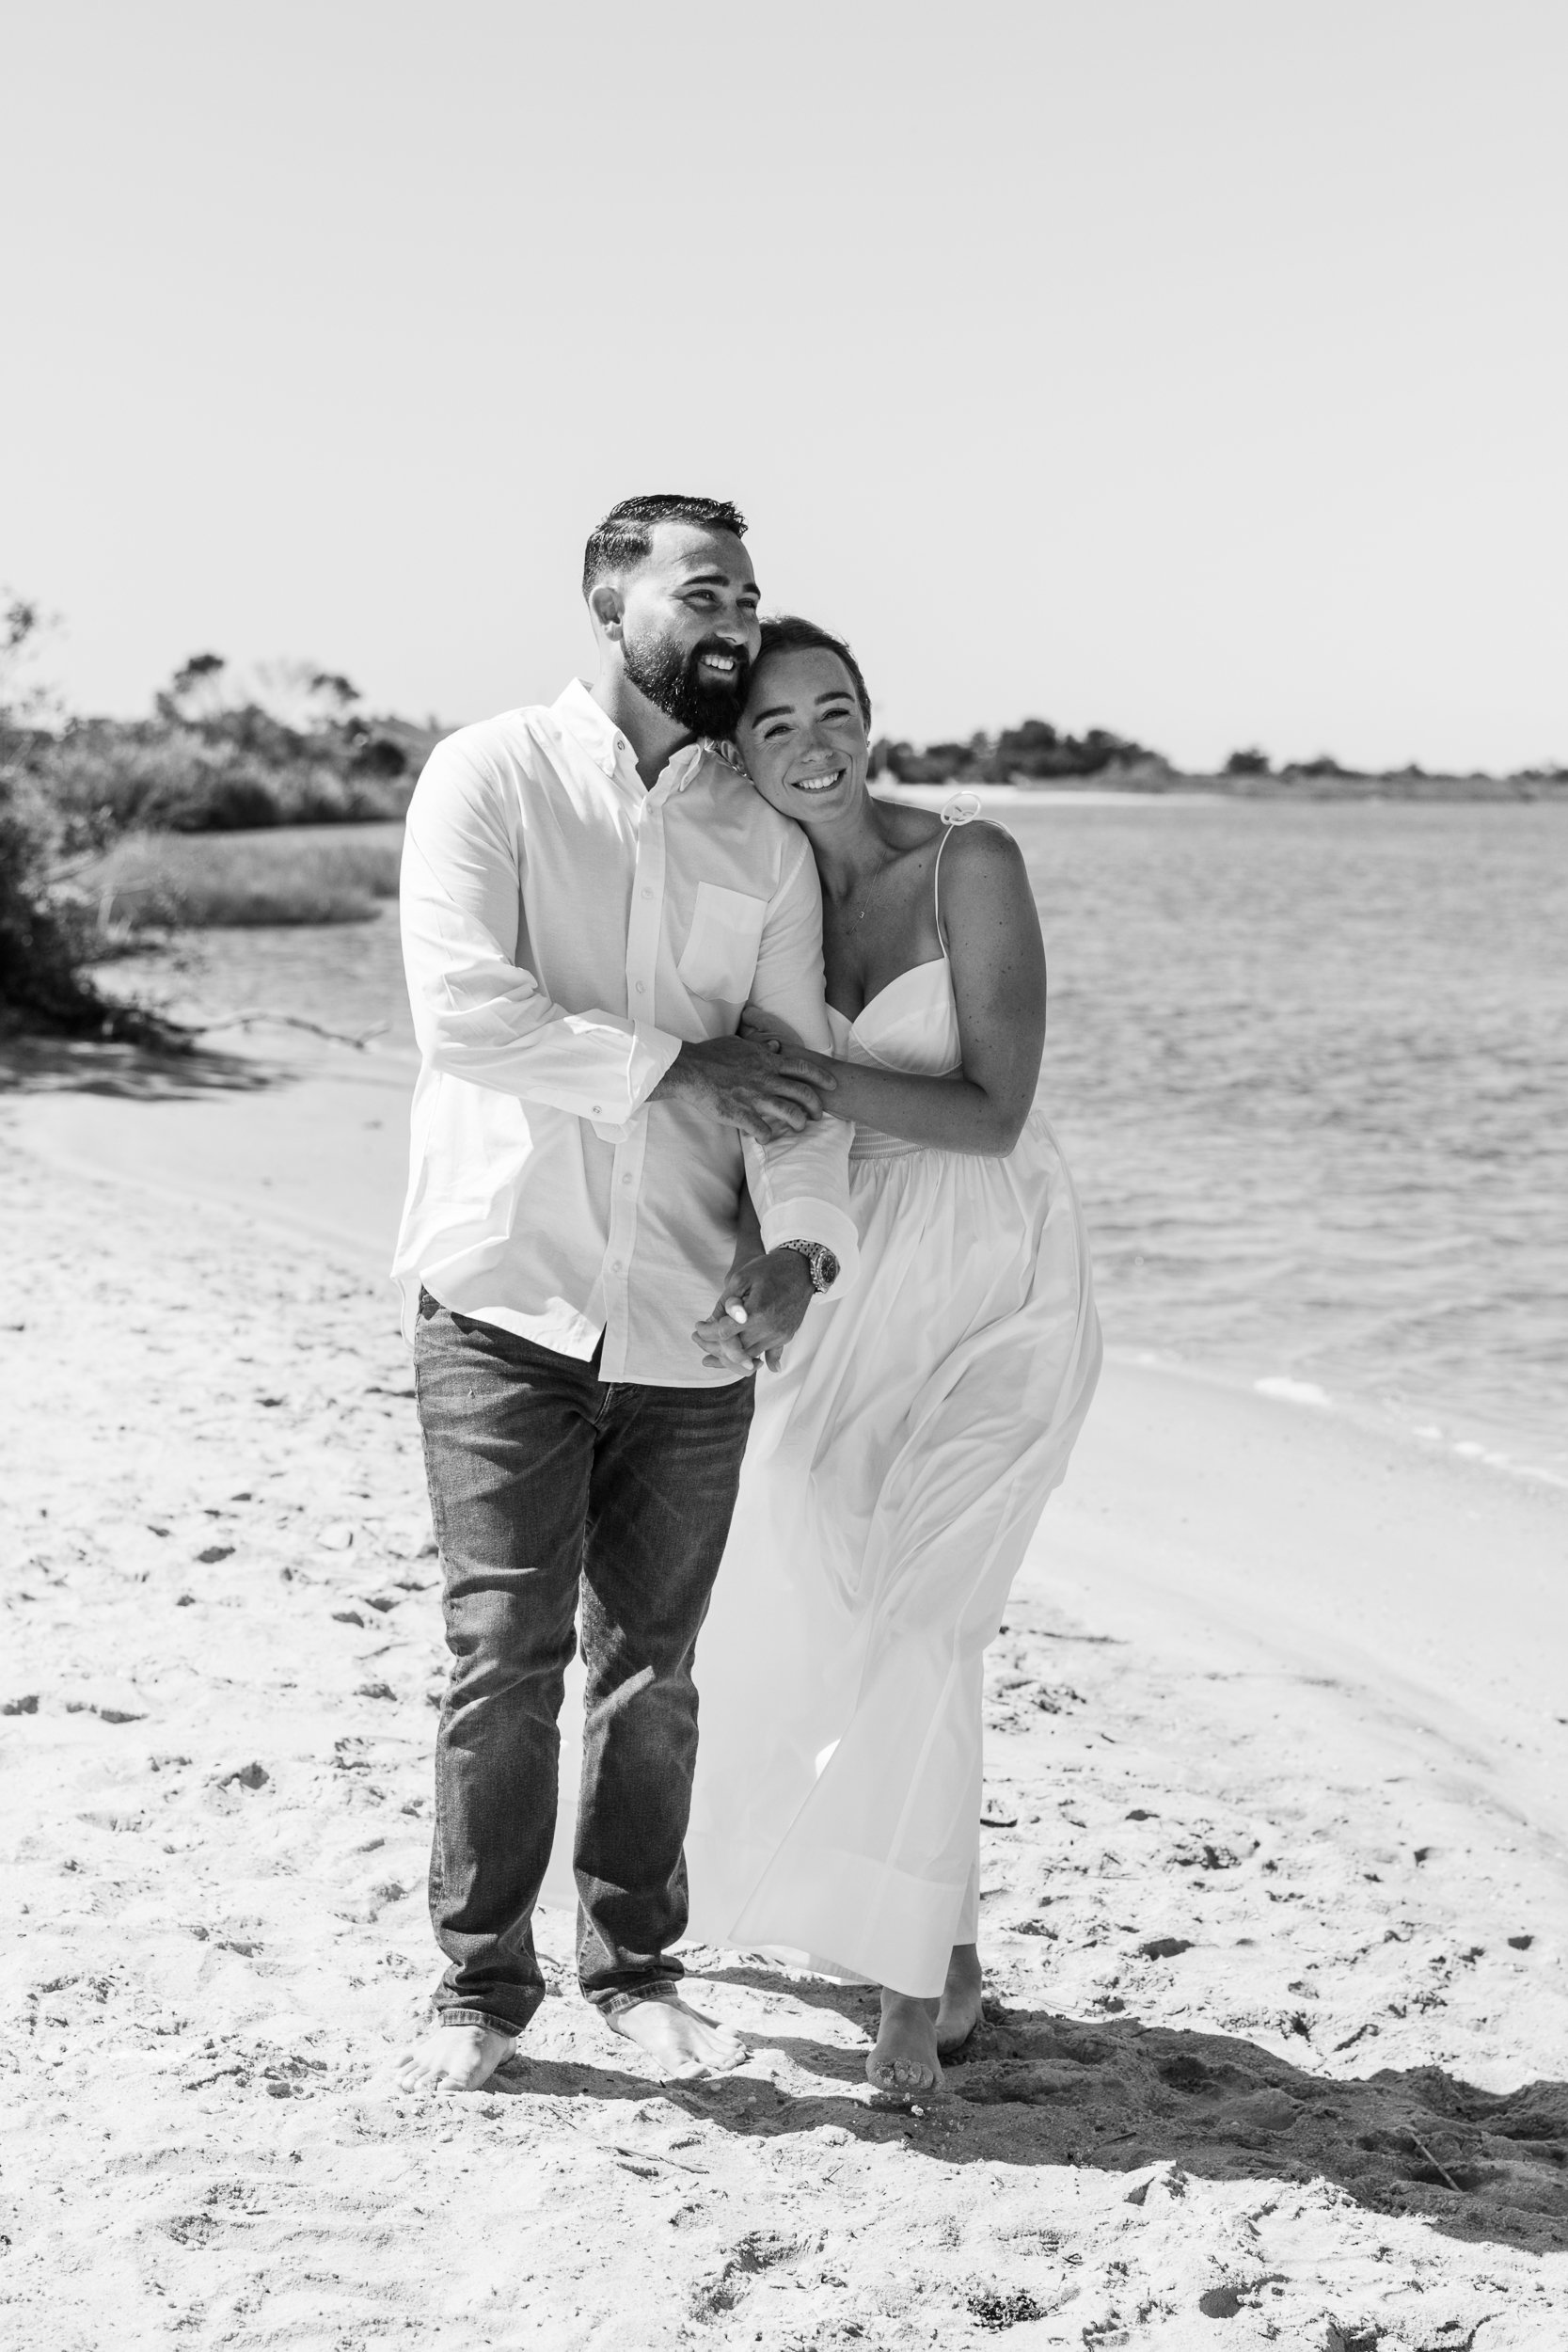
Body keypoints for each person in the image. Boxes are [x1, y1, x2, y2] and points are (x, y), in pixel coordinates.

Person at [392, 502, 859, 2094]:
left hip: (689, 1316)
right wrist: (678, 1061)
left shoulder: (767, 846)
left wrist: (799, 1250)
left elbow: (793, 1097)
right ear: (608, 599)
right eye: (699, 585)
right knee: (503, 1653)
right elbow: (466, 1011)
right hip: (503, 1293)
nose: (732, 613)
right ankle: (479, 1989)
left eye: (749, 589)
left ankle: (638, 1963)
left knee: (655, 1669)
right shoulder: (490, 776)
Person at [685, 616, 1101, 2095]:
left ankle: (908, 1997)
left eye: (837, 709)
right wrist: (777, 1253)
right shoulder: (770, 895)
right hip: (855, 1278)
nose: (817, 743)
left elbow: (993, 1108)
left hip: (999, 1276)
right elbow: (768, 1126)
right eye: (778, 724)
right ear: (736, 753)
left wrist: (808, 1079)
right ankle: (953, 1940)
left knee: (930, 1618)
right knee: (829, 1599)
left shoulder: (969, 860)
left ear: (872, 717)